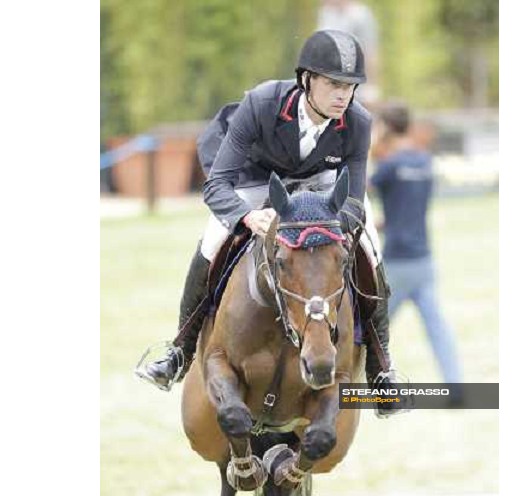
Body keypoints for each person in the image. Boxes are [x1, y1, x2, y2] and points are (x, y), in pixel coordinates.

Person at [138, 30, 400, 407]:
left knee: (369, 248)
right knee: (213, 239)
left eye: (350, 86)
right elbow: (217, 186)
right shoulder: (262, 103)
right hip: (256, 180)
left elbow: (354, 200)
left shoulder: (358, 121)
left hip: (321, 186)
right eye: (333, 84)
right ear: (307, 79)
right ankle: (178, 351)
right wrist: (245, 217)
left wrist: (330, 227)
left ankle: (381, 367)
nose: (343, 95)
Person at [370, 101, 463, 387]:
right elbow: (409, 207)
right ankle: (455, 384)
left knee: (374, 332)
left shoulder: (388, 166)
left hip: (397, 261)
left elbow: (362, 193)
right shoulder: (425, 162)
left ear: (384, 126)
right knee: (437, 329)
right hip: (424, 260)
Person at [317, 0, 380, 105]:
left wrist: (371, 87)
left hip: (353, 85)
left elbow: (369, 52)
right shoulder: (327, 13)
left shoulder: (360, 16)